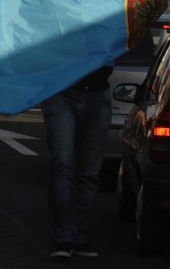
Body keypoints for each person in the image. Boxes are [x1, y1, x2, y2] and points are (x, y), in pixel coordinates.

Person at [42, 66, 113, 261]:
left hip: (98, 94)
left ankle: (80, 235)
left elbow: (125, 40)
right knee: (63, 163)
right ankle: (64, 237)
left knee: (89, 171)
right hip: (61, 92)